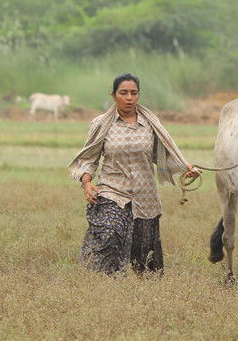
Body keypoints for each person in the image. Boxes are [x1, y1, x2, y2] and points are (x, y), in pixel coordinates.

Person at [67, 73, 198, 276]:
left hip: (145, 197)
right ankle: (103, 282)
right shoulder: (101, 124)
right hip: (112, 191)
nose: (129, 98)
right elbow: (89, 158)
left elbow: (161, 155)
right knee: (109, 233)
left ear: (138, 95)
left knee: (144, 255)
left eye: (133, 93)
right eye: (123, 93)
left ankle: (143, 289)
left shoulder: (150, 123)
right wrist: (87, 183)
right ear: (113, 95)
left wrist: (185, 167)